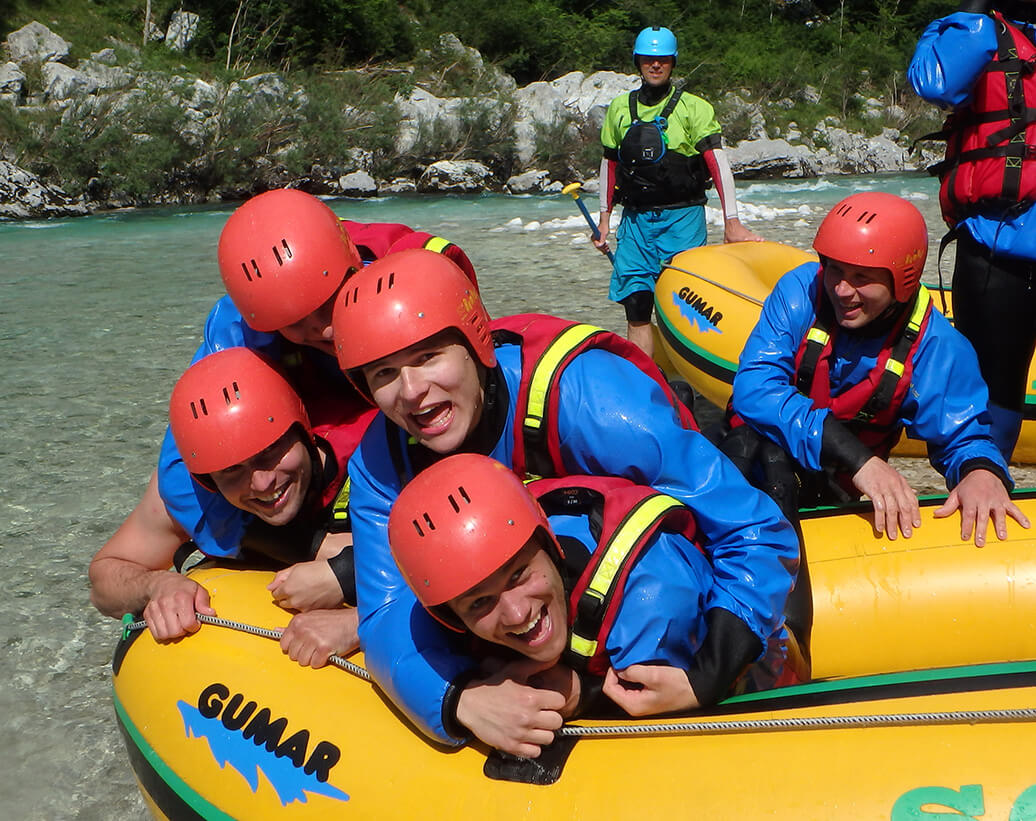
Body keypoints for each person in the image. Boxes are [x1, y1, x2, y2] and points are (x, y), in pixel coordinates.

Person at [333, 248, 798, 755]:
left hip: (671, 598)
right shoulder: (382, 461)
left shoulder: (590, 399)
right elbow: (384, 610)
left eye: (428, 357)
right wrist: (460, 700)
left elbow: (752, 530)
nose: (413, 393)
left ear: (477, 344)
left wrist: (708, 673)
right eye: (383, 375)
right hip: (560, 610)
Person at [387, 453, 801, 758]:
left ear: (547, 544)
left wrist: (577, 695)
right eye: (479, 603)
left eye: (518, 576)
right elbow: (391, 632)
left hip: (756, 674)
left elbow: (660, 736)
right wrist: (465, 697)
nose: (516, 614)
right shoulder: (500, 534)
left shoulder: (651, 603)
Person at [155, 187, 476, 563]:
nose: (325, 330)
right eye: (294, 324)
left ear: (354, 266)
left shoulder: (423, 275)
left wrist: (331, 450)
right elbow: (182, 466)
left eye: (330, 302)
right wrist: (307, 546)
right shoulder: (243, 323)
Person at [727, 192, 1028, 547]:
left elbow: (963, 436)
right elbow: (755, 389)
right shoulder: (799, 292)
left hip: (831, 488)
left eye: (861, 277)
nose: (841, 289)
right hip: (754, 460)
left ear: (903, 278)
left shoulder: (938, 347)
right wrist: (859, 460)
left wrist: (981, 469)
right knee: (760, 449)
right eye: (835, 268)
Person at [90, 348, 370, 667]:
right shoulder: (193, 496)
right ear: (208, 477)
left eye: (270, 452)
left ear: (303, 430)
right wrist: (158, 584)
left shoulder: (378, 459)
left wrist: (361, 619)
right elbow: (104, 580)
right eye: (232, 470)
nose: (263, 483)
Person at [909, 0, 1036, 461]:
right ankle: (983, 474)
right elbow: (934, 82)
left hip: (1001, 243)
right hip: (995, 242)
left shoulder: (989, 31)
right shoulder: (984, 33)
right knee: (991, 386)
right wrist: (971, 15)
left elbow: (932, 80)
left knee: (996, 385)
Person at [592, 25, 763, 357]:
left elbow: (718, 163)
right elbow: (609, 165)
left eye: (663, 60)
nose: (656, 65)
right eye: (649, 59)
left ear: (673, 63)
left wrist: (732, 222)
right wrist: (604, 221)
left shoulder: (695, 108)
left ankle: (687, 377)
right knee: (637, 305)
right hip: (636, 224)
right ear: (638, 61)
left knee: (682, 307)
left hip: (682, 222)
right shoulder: (619, 108)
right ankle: (647, 383)